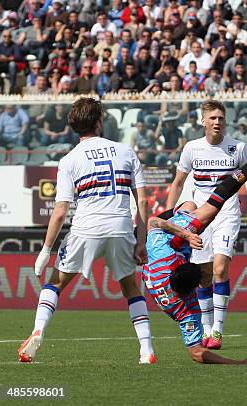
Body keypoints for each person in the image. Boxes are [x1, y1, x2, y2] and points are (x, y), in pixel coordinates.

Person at [18, 98, 154, 364]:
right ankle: (146, 350)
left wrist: (45, 251)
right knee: (131, 288)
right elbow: (144, 201)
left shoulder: (69, 160)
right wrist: (141, 241)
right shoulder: (126, 151)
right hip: (121, 227)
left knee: (56, 283)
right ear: (99, 121)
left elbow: (60, 211)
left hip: (86, 229)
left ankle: (38, 330)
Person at [143, 143, 247, 363]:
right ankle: (211, 330)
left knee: (213, 201)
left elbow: (153, 221)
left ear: (179, 264)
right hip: (172, 252)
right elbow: (198, 354)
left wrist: (186, 235)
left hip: (175, 238)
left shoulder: (164, 258)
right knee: (204, 205)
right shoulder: (186, 308)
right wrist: (235, 363)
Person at [166, 100, 247, 350]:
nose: (217, 122)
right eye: (213, 118)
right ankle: (206, 328)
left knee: (219, 270)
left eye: (221, 118)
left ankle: (217, 331)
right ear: (203, 121)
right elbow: (177, 183)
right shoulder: (192, 149)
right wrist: (168, 216)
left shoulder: (237, 148)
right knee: (203, 276)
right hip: (200, 218)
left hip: (227, 213)